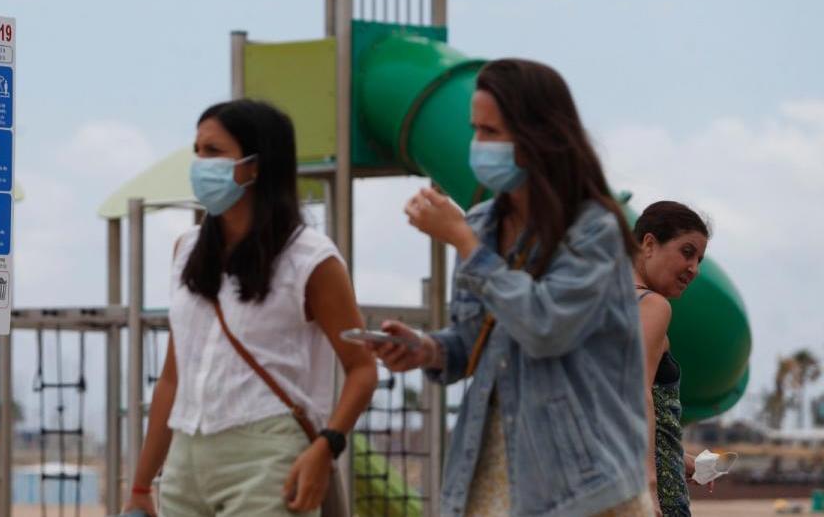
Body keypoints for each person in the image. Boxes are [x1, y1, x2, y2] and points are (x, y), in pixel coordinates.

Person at [371, 59, 653, 516]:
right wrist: (427, 350)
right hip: (492, 474)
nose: (478, 145)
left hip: (582, 487)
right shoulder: (483, 225)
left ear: (539, 136)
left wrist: (464, 243)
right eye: (475, 130)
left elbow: (544, 326)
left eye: (491, 132)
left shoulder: (592, 230)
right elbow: (477, 343)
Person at [123, 99, 377, 517]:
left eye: (215, 152)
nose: (200, 163)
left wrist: (325, 447)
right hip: (185, 460)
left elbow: (363, 368)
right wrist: (140, 483)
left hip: (268, 454)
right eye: (198, 151)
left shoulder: (311, 259)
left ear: (256, 166)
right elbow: (172, 377)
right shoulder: (187, 250)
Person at [633, 201, 711, 516]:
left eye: (700, 259)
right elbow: (636, 396)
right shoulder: (651, 306)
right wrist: (650, 488)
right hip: (657, 496)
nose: (694, 268)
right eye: (687, 252)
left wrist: (682, 460)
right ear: (649, 244)